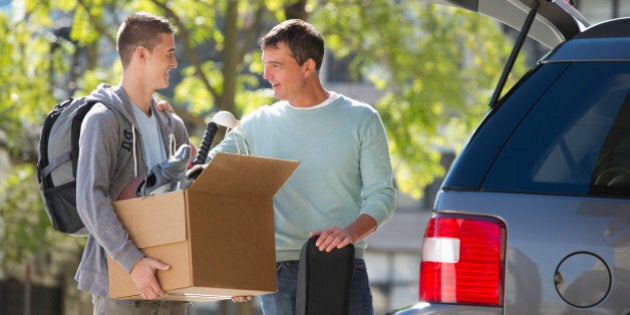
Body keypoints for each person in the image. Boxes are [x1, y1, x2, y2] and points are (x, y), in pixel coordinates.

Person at [210, 19, 396, 314]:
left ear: (308, 67)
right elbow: (209, 182)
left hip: (342, 264)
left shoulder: (363, 119)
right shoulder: (256, 125)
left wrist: (350, 233)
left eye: (276, 65)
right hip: (279, 273)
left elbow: (382, 195)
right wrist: (238, 265)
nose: (265, 74)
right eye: (264, 64)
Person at [75, 12, 190, 314]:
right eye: (169, 53)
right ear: (141, 54)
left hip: (173, 284)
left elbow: (187, 204)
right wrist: (133, 262)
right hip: (122, 286)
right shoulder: (103, 120)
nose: (174, 63)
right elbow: (90, 199)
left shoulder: (173, 126)